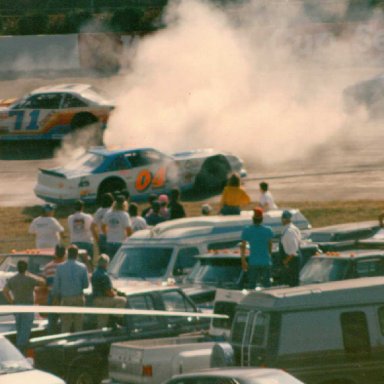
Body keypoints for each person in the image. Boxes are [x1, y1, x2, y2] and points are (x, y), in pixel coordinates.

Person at [3, 260, 45, 353]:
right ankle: (21, 350)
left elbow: (5, 291)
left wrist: (11, 301)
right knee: (26, 330)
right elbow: (43, 282)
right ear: (26, 268)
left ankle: (18, 348)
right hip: (28, 306)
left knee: (19, 328)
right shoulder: (29, 278)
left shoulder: (12, 279)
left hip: (17, 306)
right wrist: (31, 274)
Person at [52, 245, 89, 333]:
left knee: (65, 323)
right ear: (77, 255)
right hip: (78, 297)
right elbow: (86, 285)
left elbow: (56, 285)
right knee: (78, 323)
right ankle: (78, 342)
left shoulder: (60, 267)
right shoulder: (82, 267)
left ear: (67, 254)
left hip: (65, 298)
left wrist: (56, 298)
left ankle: (64, 343)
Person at [240, 207, 274, 289]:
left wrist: (243, 260)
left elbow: (243, 246)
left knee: (252, 285)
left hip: (253, 262)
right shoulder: (268, 230)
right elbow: (270, 245)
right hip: (265, 261)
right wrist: (269, 255)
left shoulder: (247, 230)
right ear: (262, 219)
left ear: (253, 219)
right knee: (267, 285)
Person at [92, 254, 127, 328]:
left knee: (101, 321)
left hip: (96, 300)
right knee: (122, 300)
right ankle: (113, 320)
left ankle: (100, 334)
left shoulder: (94, 273)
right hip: (104, 299)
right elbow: (109, 292)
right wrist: (116, 294)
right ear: (106, 264)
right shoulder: (104, 275)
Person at [42, 244, 66, 334]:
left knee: (52, 320)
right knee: (65, 320)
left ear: (55, 253)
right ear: (64, 254)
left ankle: (51, 337)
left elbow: (44, 281)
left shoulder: (48, 266)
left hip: (52, 295)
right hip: (64, 295)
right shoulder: (65, 267)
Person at [280, 210, 302, 287]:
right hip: (293, 258)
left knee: (293, 282)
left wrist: (286, 261)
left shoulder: (289, 232)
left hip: (292, 259)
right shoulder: (294, 228)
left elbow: (293, 249)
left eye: (283, 218)